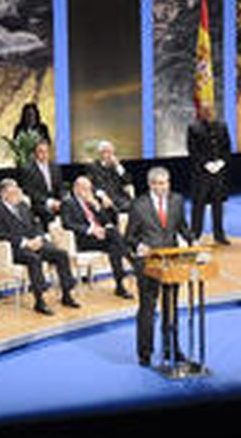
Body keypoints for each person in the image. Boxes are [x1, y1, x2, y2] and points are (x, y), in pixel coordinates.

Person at [124, 167, 194, 367]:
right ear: (151, 184)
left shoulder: (177, 200)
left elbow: (183, 228)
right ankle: (145, 353)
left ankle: (171, 348)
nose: (164, 187)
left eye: (166, 183)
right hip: (148, 265)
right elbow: (129, 238)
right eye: (159, 184)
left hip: (171, 262)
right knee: (148, 309)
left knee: (170, 308)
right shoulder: (139, 205)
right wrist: (140, 247)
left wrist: (193, 241)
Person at [0, 179, 79, 315]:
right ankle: (40, 300)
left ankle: (67, 294)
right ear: (3, 194)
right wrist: (25, 242)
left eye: (17, 191)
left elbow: (35, 224)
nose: (17, 194)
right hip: (15, 249)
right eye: (13, 192)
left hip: (34, 242)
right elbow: (0, 235)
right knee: (34, 259)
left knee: (60, 254)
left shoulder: (23, 205)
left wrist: (39, 238)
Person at [61, 176, 133, 299]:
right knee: (114, 234)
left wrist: (97, 207)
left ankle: (120, 286)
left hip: (102, 237)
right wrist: (91, 230)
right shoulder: (68, 203)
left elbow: (107, 220)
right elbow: (67, 224)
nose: (89, 192)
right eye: (86, 189)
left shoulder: (91, 202)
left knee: (114, 246)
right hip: (84, 240)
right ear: (77, 189)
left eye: (89, 188)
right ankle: (132, 258)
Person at [186, 102, 231, 245]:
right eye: (205, 110)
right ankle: (195, 235)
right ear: (200, 111)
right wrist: (206, 164)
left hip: (219, 173)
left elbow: (227, 147)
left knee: (218, 204)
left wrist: (221, 162)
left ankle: (219, 234)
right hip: (201, 174)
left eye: (210, 110)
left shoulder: (222, 126)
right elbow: (193, 150)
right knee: (198, 205)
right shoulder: (193, 128)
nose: (208, 112)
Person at [18, 140, 64, 228]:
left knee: (70, 207)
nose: (44, 154)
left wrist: (62, 199)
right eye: (41, 151)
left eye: (46, 151)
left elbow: (60, 187)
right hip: (39, 202)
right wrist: (49, 202)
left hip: (56, 200)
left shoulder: (55, 167)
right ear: (35, 153)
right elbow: (30, 191)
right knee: (48, 213)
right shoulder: (28, 169)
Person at [86, 140, 136, 214]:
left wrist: (118, 166)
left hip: (119, 196)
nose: (109, 155)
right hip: (102, 197)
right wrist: (102, 196)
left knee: (132, 206)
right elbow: (92, 186)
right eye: (106, 152)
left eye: (111, 152)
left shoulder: (117, 166)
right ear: (100, 154)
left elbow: (128, 180)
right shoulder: (93, 167)